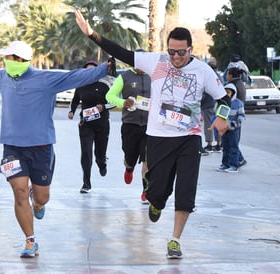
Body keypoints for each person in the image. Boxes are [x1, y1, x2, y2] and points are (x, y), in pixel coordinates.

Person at [75, 10, 230, 259]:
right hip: (158, 136)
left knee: (186, 188)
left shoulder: (203, 71)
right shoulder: (157, 62)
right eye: (172, 52)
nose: (176, 57)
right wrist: (91, 34)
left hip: (190, 137)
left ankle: (174, 240)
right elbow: (122, 52)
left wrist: (222, 115)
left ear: (190, 49)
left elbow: (224, 98)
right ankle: (157, 202)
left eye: (181, 52)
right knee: (158, 191)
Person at [0, 40, 114, 258]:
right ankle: (30, 241)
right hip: (12, 147)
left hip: (41, 147)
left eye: (8, 57)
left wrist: (105, 68)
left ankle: (37, 200)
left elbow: (76, 76)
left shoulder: (45, 79)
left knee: (41, 198)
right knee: (19, 193)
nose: (5, 61)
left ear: (20, 59)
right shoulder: (3, 77)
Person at [105, 60, 151, 203]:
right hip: (130, 124)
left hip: (150, 126)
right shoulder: (124, 77)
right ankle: (129, 168)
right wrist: (123, 102)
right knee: (130, 156)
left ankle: (146, 190)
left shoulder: (152, 76)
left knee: (147, 160)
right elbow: (110, 96)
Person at [68, 61, 115, 194]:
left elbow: (114, 101)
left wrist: (103, 107)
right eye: (87, 71)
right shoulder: (81, 85)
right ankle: (86, 183)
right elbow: (76, 99)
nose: (90, 73)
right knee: (86, 153)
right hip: (86, 124)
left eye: (93, 70)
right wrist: (72, 111)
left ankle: (102, 163)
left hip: (102, 124)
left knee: (99, 154)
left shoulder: (105, 84)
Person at [217, 83, 245, 173]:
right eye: (225, 92)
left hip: (234, 129)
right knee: (225, 147)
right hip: (224, 129)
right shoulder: (223, 102)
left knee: (233, 147)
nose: (227, 94)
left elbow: (241, 116)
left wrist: (235, 124)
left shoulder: (238, 103)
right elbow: (217, 113)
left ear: (233, 93)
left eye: (228, 92)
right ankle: (225, 164)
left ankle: (234, 165)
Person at [201, 58, 222, 154]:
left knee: (208, 125)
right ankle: (219, 143)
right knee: (218, 123)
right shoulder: (219, 77)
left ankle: (209, 144)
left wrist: (200, 103)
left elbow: (205, 92)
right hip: (218, 103)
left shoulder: (208, 76)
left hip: (208, 104)